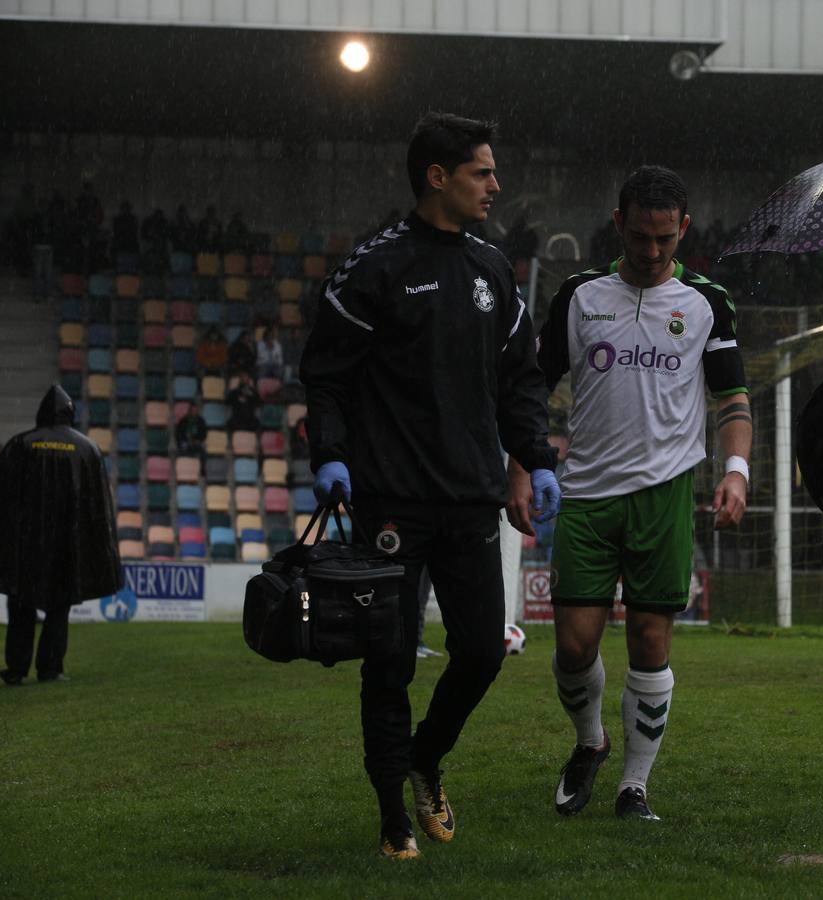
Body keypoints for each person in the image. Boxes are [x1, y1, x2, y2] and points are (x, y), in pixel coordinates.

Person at [300, 112, 560, 860]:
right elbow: (325, 376)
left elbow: (520, 378)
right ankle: (392, 818)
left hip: (472, 497)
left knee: (481, 651)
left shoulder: (491, 267)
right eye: (482, 171)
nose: (495, 184)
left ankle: (423, 756)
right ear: (437, 177)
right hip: (390, 499)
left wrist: (535, 457)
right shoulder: (373, 267)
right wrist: (331, 453)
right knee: (391, 661)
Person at [507, 165, 751, 823]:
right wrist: (523, 468)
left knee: (650, 638)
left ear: (683, 232)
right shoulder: (582, 296)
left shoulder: (707, 302)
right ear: (618, 225)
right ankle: (591, 741)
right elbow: (533, 384)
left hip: (665, 494)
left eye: (664, 240)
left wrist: (735, 471)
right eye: (640, 237)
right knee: (573, 647)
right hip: (586, 493)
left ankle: (633, 788)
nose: (650, 253)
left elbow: (732, 399)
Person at [0, 386, 120, 685]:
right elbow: (97, 507)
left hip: (27, 545)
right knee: (59, 609)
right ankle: (50, 667)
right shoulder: (86, 449)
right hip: (66, 546)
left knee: (21, 606)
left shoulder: (21, 444)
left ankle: (17, 668)